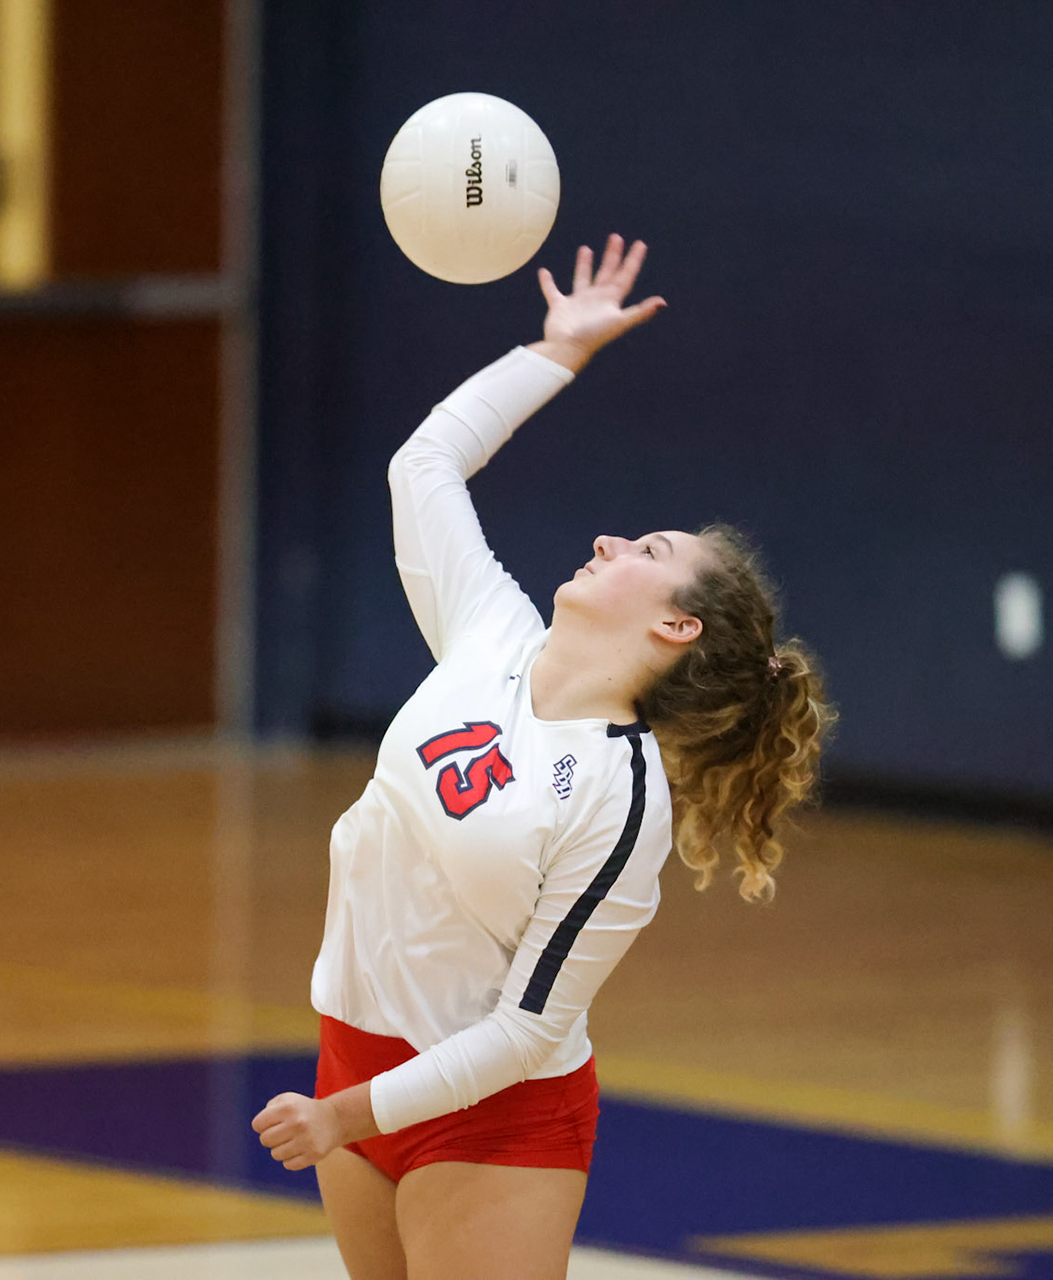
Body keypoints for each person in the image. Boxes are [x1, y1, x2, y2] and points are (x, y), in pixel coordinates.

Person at [251, 235, 835, 1280]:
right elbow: (422, 463)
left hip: (490, 1109)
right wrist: (555, 353)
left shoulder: (622, 795)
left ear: (677, 630)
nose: (611, 541)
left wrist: (344, 1115)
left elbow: (527, 1029)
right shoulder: (491, 634)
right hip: (357, 1047)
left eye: (648, 554)